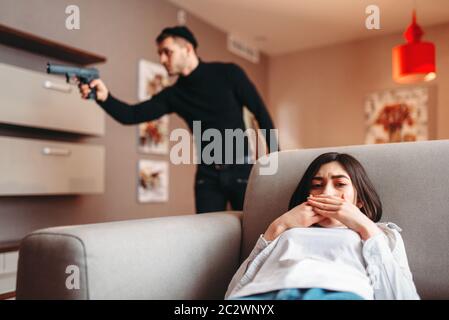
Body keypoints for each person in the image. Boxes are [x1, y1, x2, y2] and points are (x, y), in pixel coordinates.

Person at [78, 26, 278, 214]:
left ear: (187, 49)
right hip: (207, 177)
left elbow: (261, 114)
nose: (163, 59)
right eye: (160, 54)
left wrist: (277, 162)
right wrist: (104, 98)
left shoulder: (229, 73)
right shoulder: (174, 95)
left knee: (251, 232)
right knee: (207, 237)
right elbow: (131, 115)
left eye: (167, 52)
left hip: (242, 171)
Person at [225, 152, 420, 300]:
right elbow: (232, 292)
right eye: (317, 185)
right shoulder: (286, 230)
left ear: (359, 199)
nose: (326, 192)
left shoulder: (382, 234)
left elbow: (403, 295)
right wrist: (277, 226)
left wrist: (366, 227)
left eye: (340, 184)